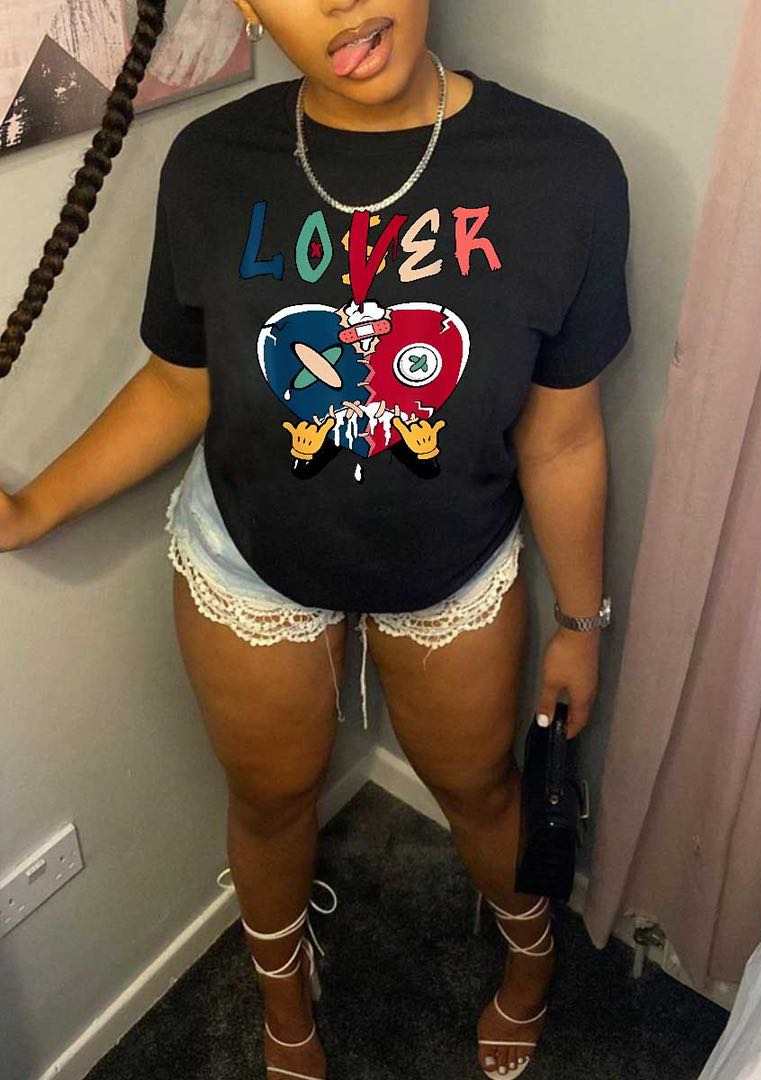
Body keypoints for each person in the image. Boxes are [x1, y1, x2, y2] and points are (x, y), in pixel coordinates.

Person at [0, 3, 631, 1078]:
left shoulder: (565, 174)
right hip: (248, 558)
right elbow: (180, 382)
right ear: (248, 7)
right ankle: (285, 1001)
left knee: (482, 788)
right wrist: (33, 509)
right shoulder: (212, 164)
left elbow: (563, 435)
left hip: (454, 564)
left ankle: (531, 954)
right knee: (269, 798)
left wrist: (580, 623)